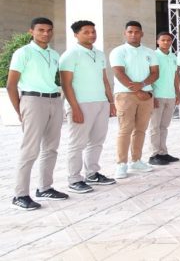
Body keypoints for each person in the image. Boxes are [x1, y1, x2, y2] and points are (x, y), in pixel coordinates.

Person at [8, 17, 66, 210]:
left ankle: (45, 187)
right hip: (32, 100)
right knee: (30, 149)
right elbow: (11, 85)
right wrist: (20, 109)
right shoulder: (23, 53)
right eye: (41, 30)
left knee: (51, 147)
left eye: (49, 30)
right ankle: (20, 194)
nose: (46, 33)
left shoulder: (54, 54)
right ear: (31, 32)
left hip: (53, 100)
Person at [59, 21, 115, 194]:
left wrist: (111, 102)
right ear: (76, 34)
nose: (91, 35)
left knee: (97, 140)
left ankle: (92, 173)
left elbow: (104, 79)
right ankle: (74, 179)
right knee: (77, 143)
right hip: (81, 104)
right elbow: (65, 83)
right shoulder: (70, 55)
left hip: (101, 103)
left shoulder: (99, 54)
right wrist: (74, 107)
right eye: (86, 32)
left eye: (93, 31)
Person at [109, 21, 158, 178]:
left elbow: (155, 73)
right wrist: (137, 91)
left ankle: (136, 160)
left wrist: (143, 85)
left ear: (142, 34)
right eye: (130, 32)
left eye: (137, 32)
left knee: (140, 129)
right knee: (125, 129)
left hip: (146, 94)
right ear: (125, 33)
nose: (133, 34)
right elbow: (119, 73)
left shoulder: (150, 52)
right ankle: (121, 164)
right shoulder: (118, 51)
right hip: (125, 95)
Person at [148, 32, 180, 166]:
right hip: (158, 96)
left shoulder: (173, 56)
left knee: (164, 126)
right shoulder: (153, 56)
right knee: (155, 126)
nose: (166, 42)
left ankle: (163, 152)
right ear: (157, 41)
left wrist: (177, 93)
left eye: (169, 40)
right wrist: (152, 95)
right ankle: (154, 154)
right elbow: (149, 75)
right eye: (163, 40)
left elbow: (175, 76)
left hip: (170, 96)